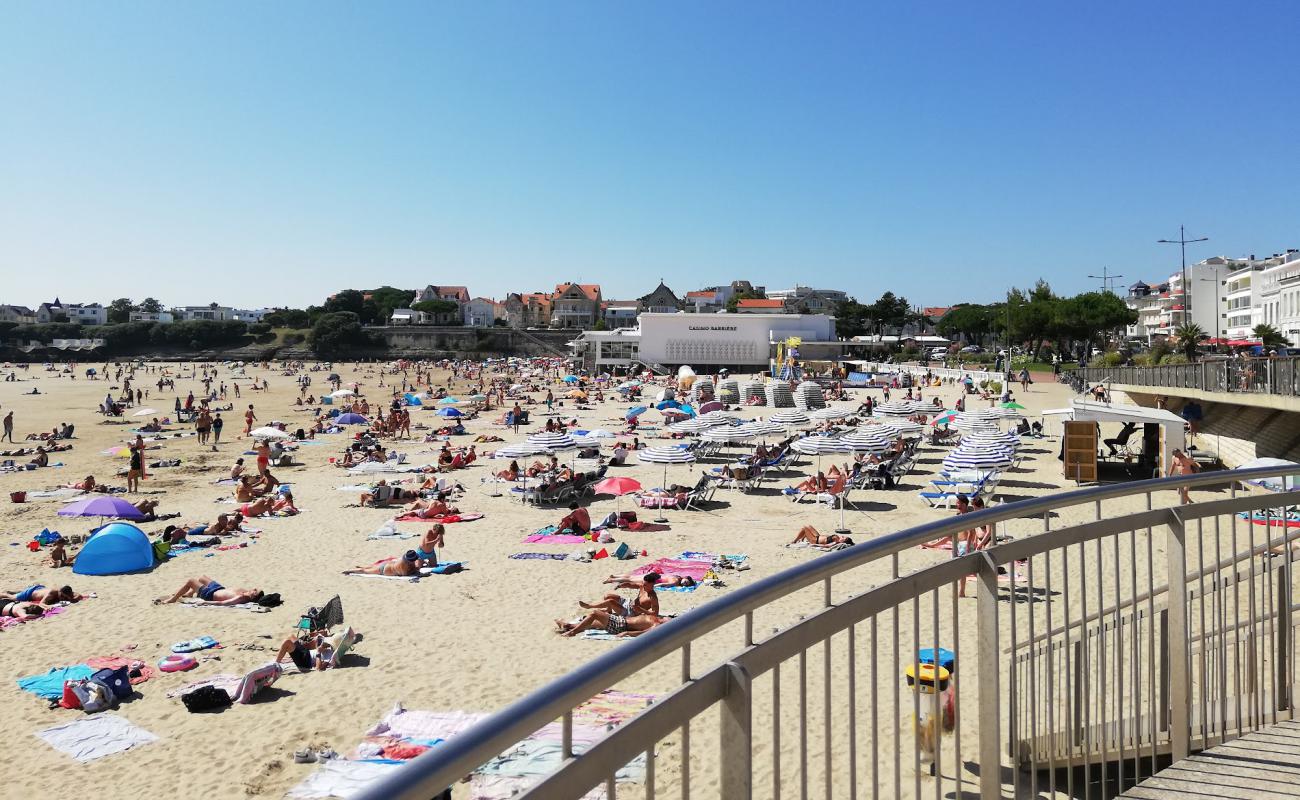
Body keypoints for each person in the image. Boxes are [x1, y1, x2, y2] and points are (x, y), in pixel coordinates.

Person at [581, 572, 661, 617]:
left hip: (630, 612)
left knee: (610, 601)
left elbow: (655, 614)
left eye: (646, 585)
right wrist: (620, 585)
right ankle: (609, 611)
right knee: (607, 596)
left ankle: (589, 606)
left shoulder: (653, 597)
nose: (643, 586)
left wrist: (640, 610)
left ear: (652, 584)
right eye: (643, 584)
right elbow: (631, 585)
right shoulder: (642, 586)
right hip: (627, 603)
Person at [156, 576, 264, 605]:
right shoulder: (246, 592)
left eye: (255, 590)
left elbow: (223, 603)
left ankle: (173, 599)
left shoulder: (241, 598)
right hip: (218, 588)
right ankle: (189, 593)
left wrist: (206, 602)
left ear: (253, 596)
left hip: (209, 594)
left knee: (190, 581)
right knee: (202, 578)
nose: (253, 588)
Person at [556, 610, 667, 638]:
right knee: (593, 623)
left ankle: (572, 632)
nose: (668, 618)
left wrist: (627, 633)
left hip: (621, 625)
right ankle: (568, 626)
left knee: (595, 613)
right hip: (621, 621)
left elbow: (644, 633)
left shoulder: (657, 625)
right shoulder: (657, 618)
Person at [343, 549, 421, 577]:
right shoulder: (403, 566)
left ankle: (362, 566)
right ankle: (350, 571)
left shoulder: (405, 558)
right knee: (365, 571)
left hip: (388, 564)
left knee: (371, 567)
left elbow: (413, 567)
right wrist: (415, 570)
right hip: (385, 570)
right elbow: (405, 574)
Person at [789, 526, 854, 546]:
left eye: (844, 538)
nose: (843, 536)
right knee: (809, 526)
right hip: (818, 537)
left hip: (815, 540)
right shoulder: (837, 539)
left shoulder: (836, 542)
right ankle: (803, 538)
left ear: (843, 542)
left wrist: (817, 545)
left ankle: (795, 541)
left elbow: (827, 546)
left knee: (804, 528)